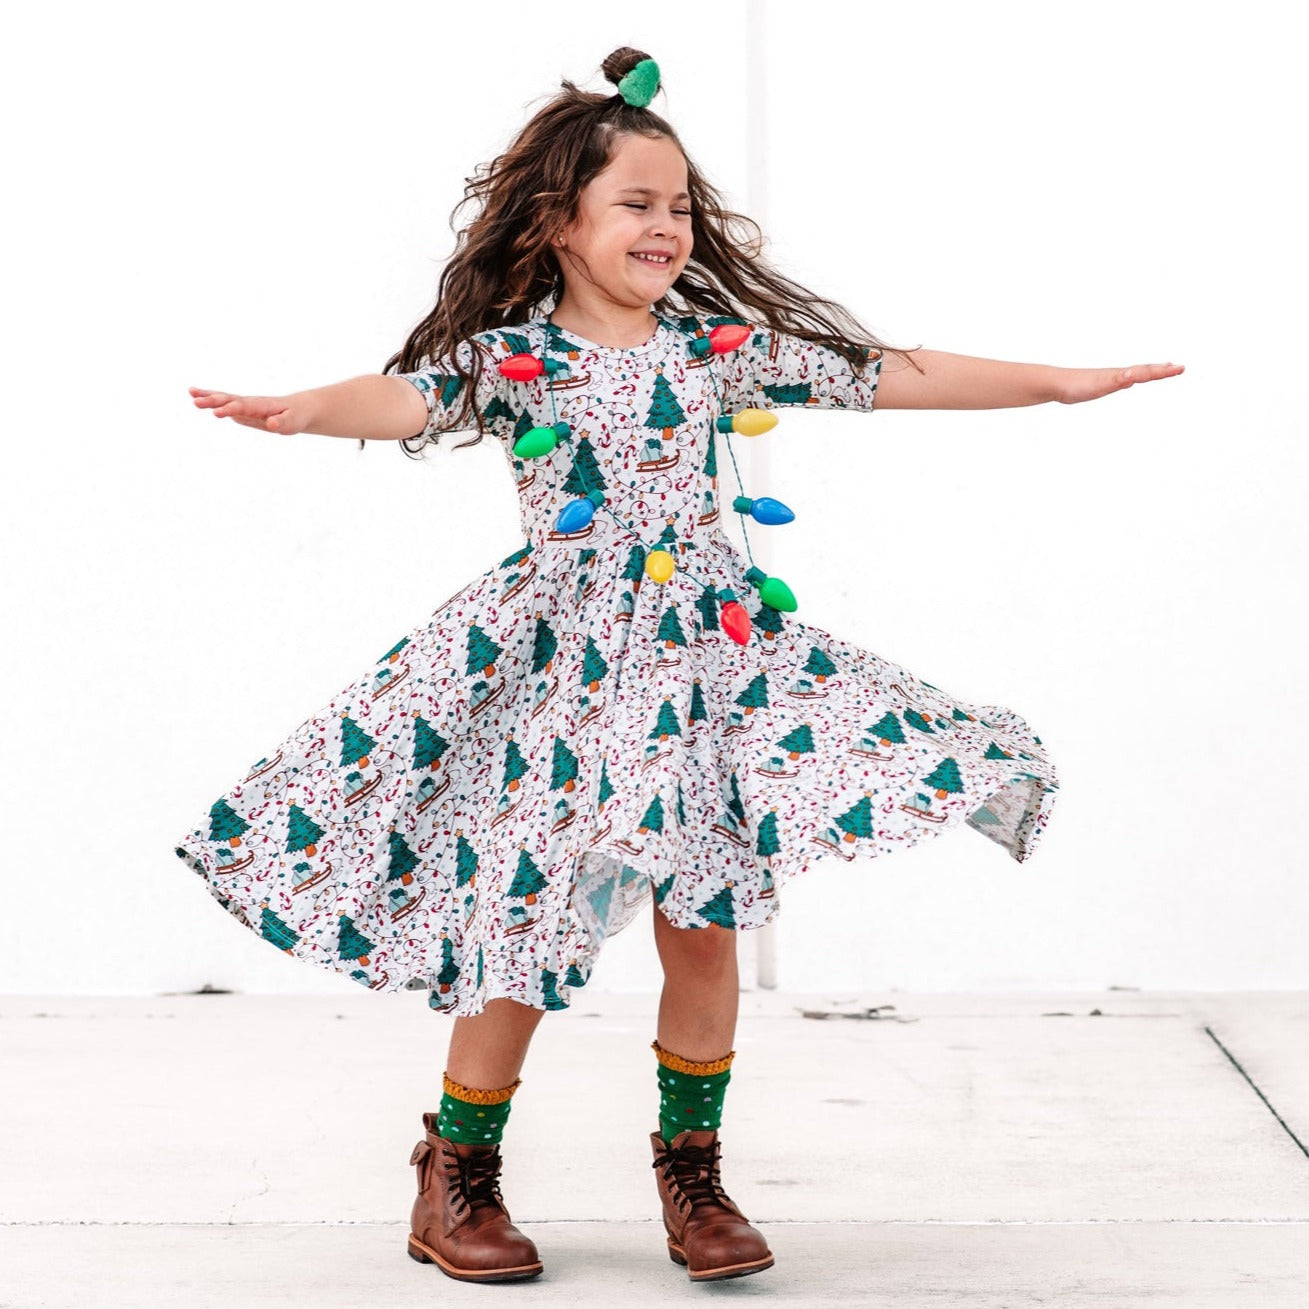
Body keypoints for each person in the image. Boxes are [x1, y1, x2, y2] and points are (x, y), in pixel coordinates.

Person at [175, 46, 1182, 1287]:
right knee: (526, 920)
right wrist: (302, 409)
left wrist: (1055, 385)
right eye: (635, 203)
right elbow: (401, 400)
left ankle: (692, 1176)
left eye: (680, 205)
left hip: (708, 669)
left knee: (703, 926)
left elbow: (886, 374)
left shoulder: (715, 351)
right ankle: (457, 1171)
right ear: (559, 223)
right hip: (562, 674)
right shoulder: (514, 359)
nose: (667, 225)